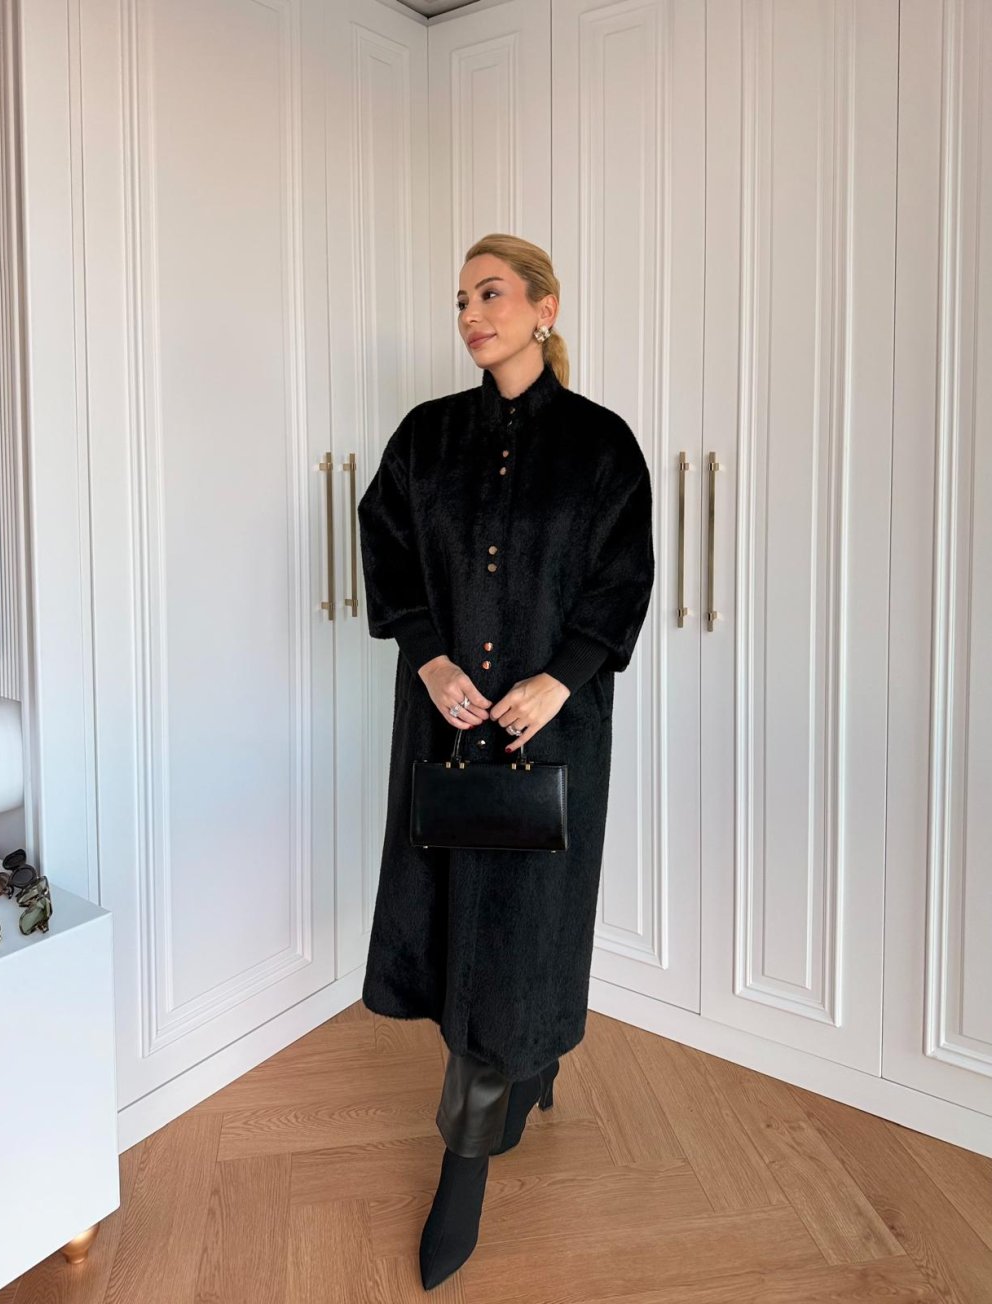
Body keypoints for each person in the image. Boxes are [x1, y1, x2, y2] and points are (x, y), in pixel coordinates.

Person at [357, 233, 655, 1290]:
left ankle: (470, 1159)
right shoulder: (426, 437)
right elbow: (387, 548)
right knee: (458, 927)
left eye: (490, 293)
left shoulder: (602, 445)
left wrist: (560, 678)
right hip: (447, 726)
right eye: (460, 300)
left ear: (543, 307)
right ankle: (517, 1079)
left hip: (551, 734)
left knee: (527, 930)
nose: (472, 315)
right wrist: (430, 658)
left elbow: (622, 578)